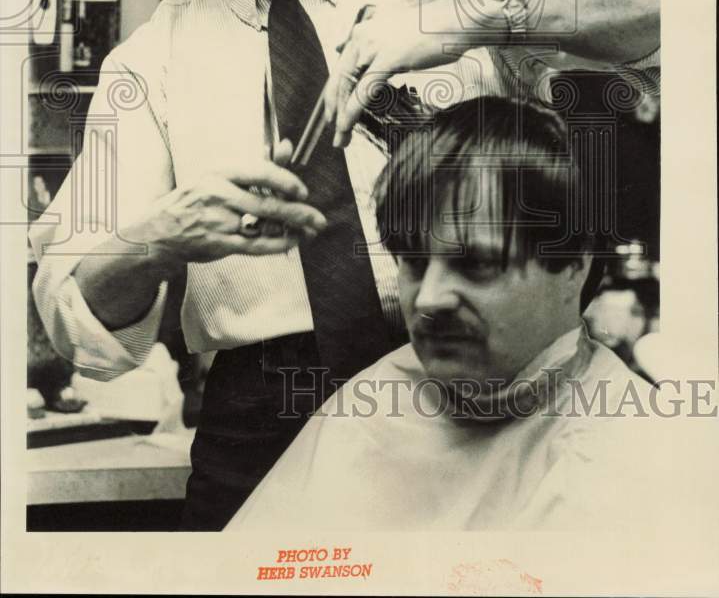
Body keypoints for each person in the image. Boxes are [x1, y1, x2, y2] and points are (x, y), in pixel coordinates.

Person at [29, 0, 660, 530]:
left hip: (489, 410)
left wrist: (466, 17)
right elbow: (76, 322)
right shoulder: (147, 64)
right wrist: (159, 238)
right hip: (264, 438)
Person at [227, 97, 668, 533]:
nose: (428, 300)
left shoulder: (638, 448)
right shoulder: (371, 404)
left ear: (575, 265)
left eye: (475, 264)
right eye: (414, 263)